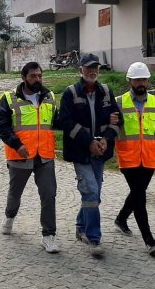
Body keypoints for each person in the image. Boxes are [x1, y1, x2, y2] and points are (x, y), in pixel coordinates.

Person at [113, 62, 155, 256]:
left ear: (148, 81)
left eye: (143, 79)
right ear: (130, 81)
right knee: (140, 196)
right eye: (137, 79)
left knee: (137, 192)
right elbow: (110, 127)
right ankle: (149, 240)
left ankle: (120, 219)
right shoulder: (119, 102)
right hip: (128, 157)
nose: (141, 83)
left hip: (149, 157)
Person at [59, 53, 120, 257]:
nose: (93, 71)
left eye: (96, 68)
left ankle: (80, 226)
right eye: (88, 68)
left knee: (93, 195)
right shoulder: (70, 93)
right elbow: (65, 122)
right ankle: (94, 239)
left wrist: (106, 139)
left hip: (100, 152)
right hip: (80, 153)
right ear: (80, 71)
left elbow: (117, 121)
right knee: (92, 192)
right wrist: (89, 142)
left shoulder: (106, 91)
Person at [0, 62, 60, 253]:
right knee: (15, 194)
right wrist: (17, 144)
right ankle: (9, 216)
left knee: (49, 194)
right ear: (24, 78)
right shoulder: (8, 99)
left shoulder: (49, 96)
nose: (37, 79)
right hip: (19, 155)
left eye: (40, 75)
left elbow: (56, 122)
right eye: (33, 76)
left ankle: (48, 235)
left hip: (45, 155)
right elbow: (2, 127)